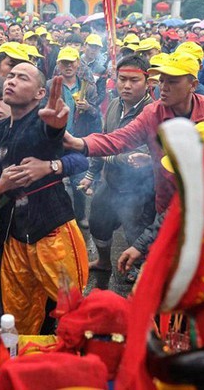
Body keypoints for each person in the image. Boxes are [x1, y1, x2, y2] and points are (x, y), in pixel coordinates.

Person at [0, 63, 89, 335]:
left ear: (40, 92)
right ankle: (22, 366)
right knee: (17, 313)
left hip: (52, 229)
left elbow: (58, 143)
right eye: (10, 76)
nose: (11, 81)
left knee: (72, 308)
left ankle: (78, 368)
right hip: (15, 233)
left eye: (22, 77)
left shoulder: (43, 123)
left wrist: (55, 135)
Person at [64, 52, 204, 272]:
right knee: (163, 254)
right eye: (162, 81)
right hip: (166, 197)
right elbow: (118, 139)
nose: (163, 88)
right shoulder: (153, 113)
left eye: (173, 82)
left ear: (193, 84)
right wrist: (79, 143)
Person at [80, 55, 155, 282]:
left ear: (148, 82)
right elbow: (103, 139)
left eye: (134, 80)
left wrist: (108, 154)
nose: (127, 85)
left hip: (138, 189)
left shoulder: (153, 111)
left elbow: (134, 156)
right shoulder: (114, 104)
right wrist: (91, 175)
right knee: (97, 223)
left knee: (136, 232)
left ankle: (140, 270)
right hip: (110, 182)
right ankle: (104, 262)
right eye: (122, 79)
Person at [45, 46, 101, 228]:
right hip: (54, 138)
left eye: (72, 62)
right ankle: (55, 215)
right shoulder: (50, 85)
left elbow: (96, 114)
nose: (68, 66)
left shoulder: (87, 86)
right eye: (64, 63)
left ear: (78, 63)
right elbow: (41, 108)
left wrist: (89, 108)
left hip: (77, 139)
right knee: (52, 178)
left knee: (78, 179)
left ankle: (80, 214)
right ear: (58, 64)